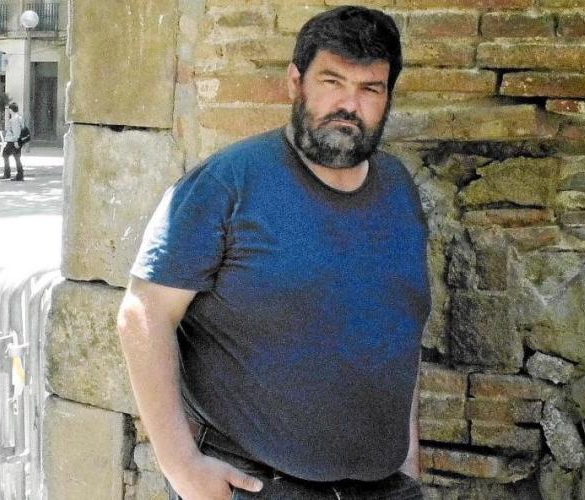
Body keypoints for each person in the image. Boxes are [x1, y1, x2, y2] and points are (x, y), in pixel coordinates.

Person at [118, 6, 430, 500]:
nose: (348, 105)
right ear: (295, 82)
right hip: (257, 486)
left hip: (386, 487)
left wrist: (407, 456)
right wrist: (181, 465)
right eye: (331, 81)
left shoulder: (398, 190)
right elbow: (143, 313)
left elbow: (398, 325)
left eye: (369, 89)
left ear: (387, 97)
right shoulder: (227, 184)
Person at [2, 103, 24, 181]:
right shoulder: (19, 117)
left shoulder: (14, 119)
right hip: (17, 140)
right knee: (17, 157)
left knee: (5, 154)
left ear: (11, 110)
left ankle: (7, 173)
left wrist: (16, 141)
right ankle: (20, 174)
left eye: (9, 109)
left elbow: (16, 131)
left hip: (12, 141)